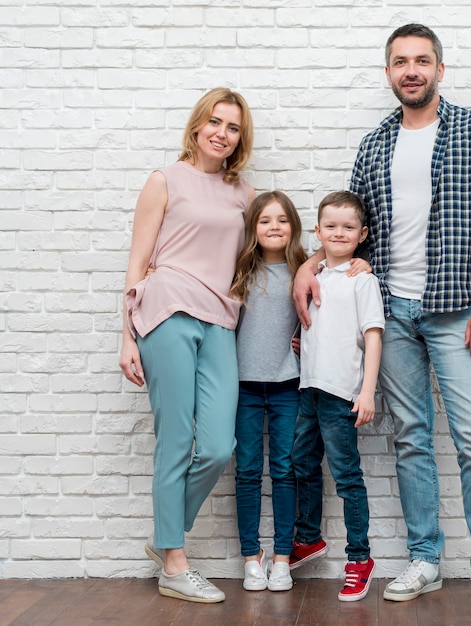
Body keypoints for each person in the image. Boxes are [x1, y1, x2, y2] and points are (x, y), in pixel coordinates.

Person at [294, 24, 471, 616]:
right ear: (389, 72)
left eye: (422, 61)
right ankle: (424, 558)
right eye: (401, 62)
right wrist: (310, 264)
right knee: (410, 438)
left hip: (460, 311)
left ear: (439, 69)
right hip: (392, 314)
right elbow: (350, 229)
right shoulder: (373, 145)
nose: (411, 70)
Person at [119, 87, 255, 603]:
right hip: (166, 309)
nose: (222, 133)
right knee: (176, 438)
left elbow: (265, 251)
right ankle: (175, 564)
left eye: (233, 127)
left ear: (241, 137)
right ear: (197, 126)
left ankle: (164, 534)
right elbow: (136, 263)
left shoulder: (243, 193)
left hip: (221, 319)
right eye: (215, 122)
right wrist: (126, 335)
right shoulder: (165, 180)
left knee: (219, 445)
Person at [289, 191, 384, 602]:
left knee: (346, 477)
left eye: (348, 227)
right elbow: (319, 323)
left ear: (362, 234)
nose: (339, 233)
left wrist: (367, 391)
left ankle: (359, 559)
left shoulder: (362, 280)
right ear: (318, 231)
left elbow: (373, 335)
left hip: (341, 393)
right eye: (331, 226)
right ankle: (309, 538)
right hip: (308, 387)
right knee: (300, 462)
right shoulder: (315, 275)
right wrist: (302, 340)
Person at [229, 191, 307, 592]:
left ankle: (281, 558)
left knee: (284, 470)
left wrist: (304, 342)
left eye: (281, 219)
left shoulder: (305, 271)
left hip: (287, 387)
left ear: (293, 226)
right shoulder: (239, 271)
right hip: (242, 387)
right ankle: (250, 558)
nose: (274, 226)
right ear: (252, 229)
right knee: (245, 471)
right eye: (264, 220)